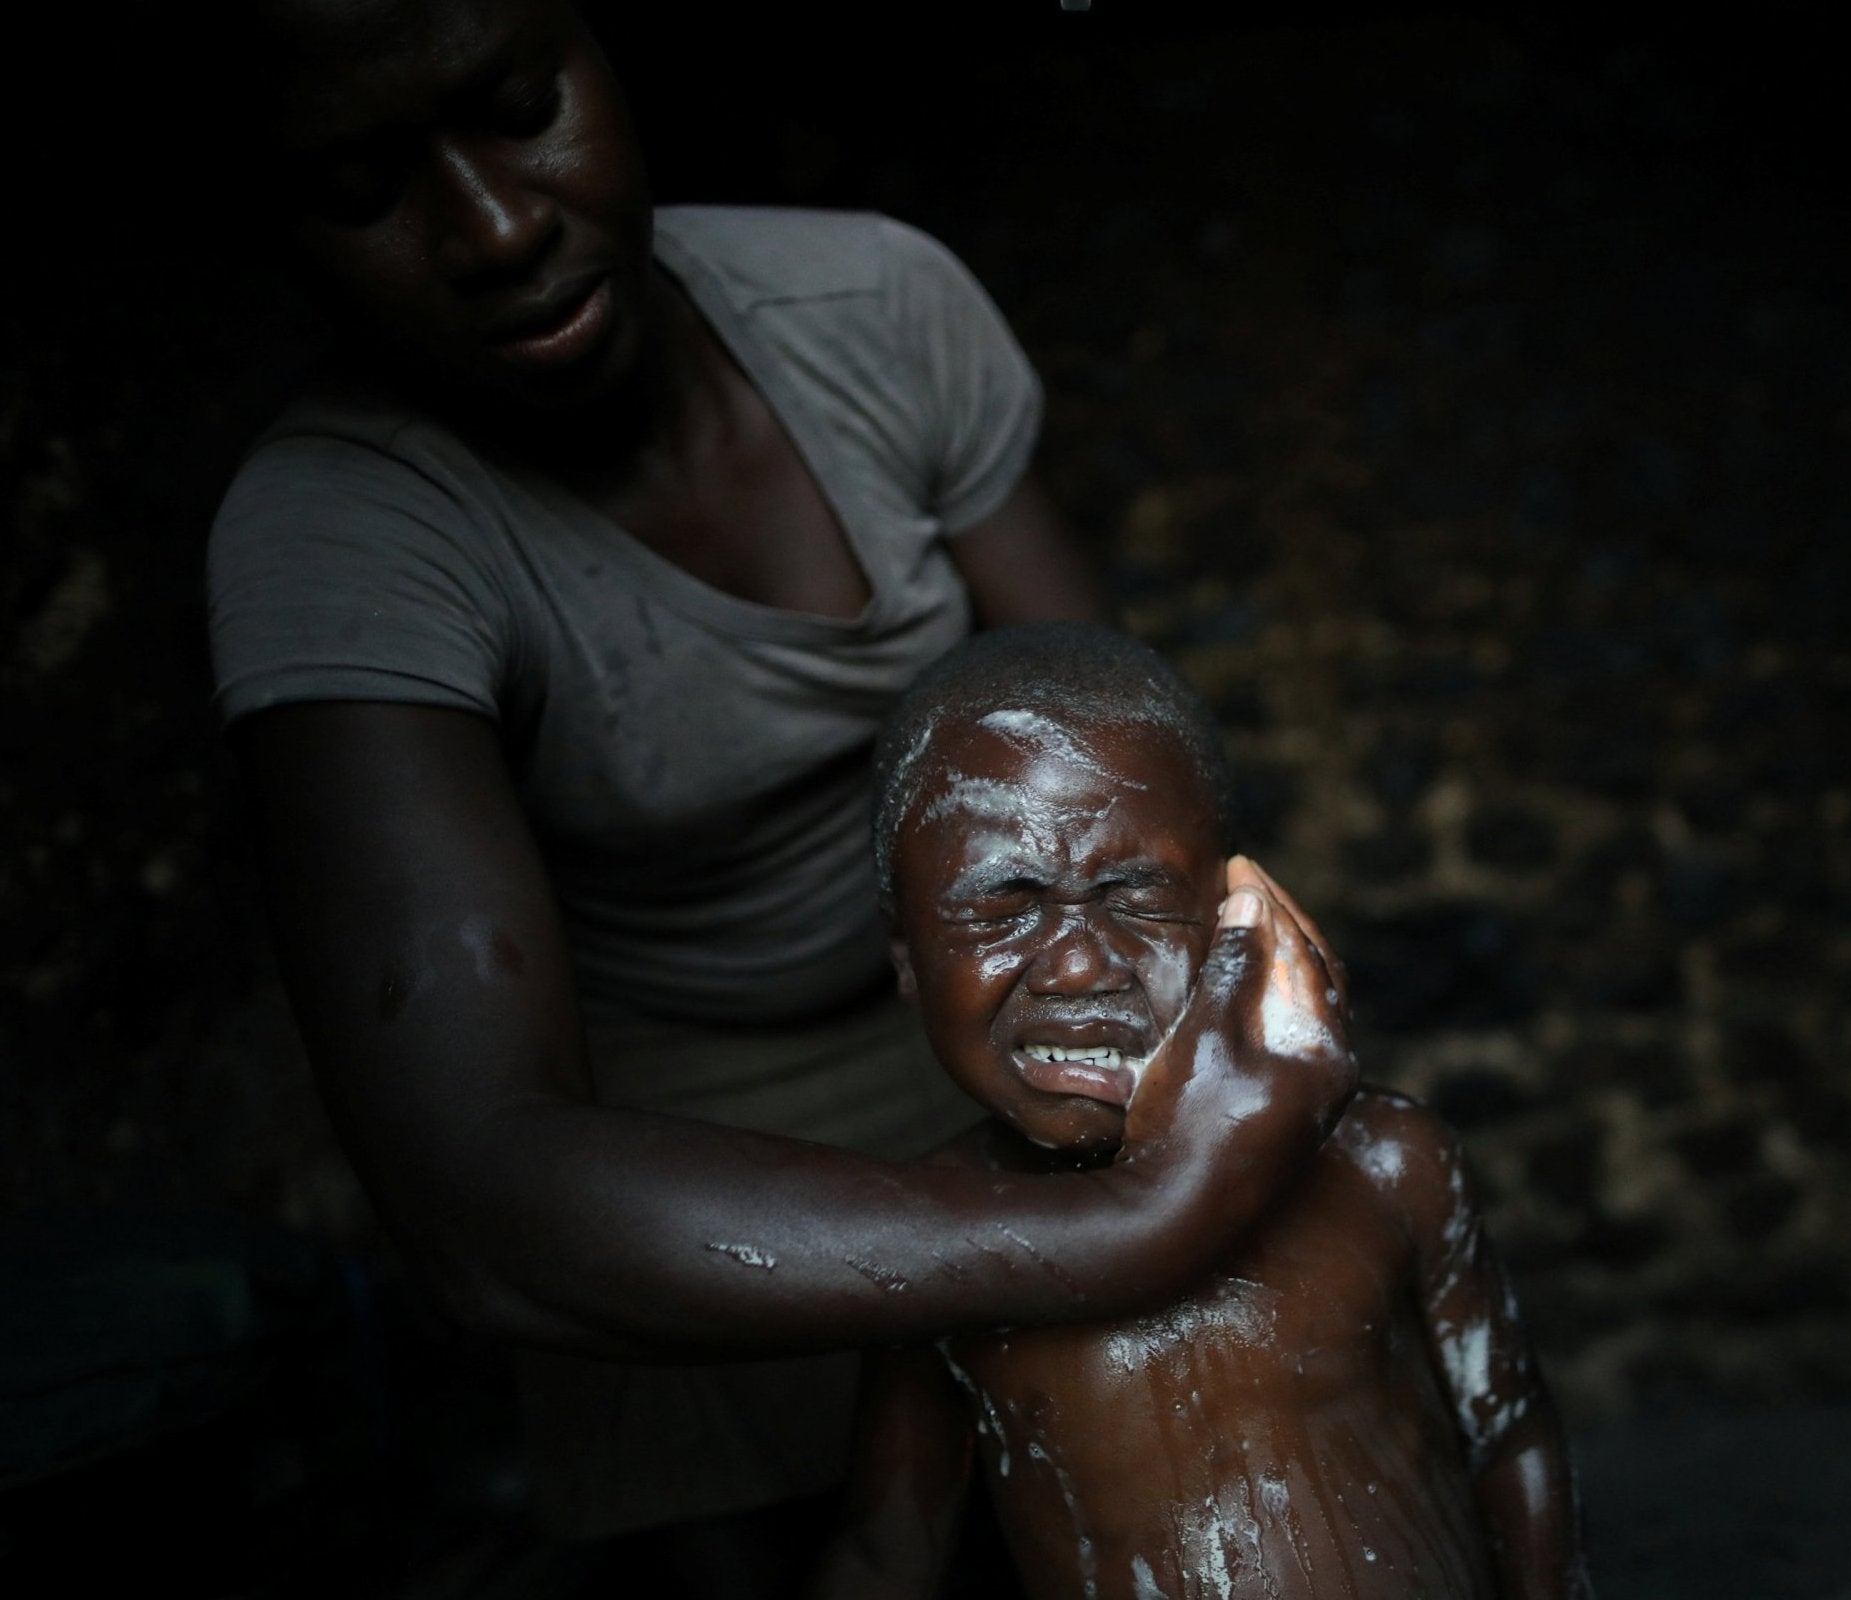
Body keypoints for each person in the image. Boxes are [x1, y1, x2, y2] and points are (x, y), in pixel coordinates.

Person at [201, 0, 1354, 1589]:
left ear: (610, 52)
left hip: (989, 1016)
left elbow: (1118, 776)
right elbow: (479, 1194)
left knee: (1152, 1484)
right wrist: (1119, 1233)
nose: (493, 228)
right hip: (656, 1124)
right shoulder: (345, 533)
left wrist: (1187, 1085)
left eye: (521, 104)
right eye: (358, 185)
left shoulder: (875, 307)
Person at [814, 623, 1590, 1600]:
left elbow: (1510, 1433)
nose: (1081, 962)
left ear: (1236, 913)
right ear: (904, 960)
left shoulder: (1385, 1160)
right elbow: (889, 1554)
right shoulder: (936, 1247)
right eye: (1004, 909)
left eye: (1135, 898)